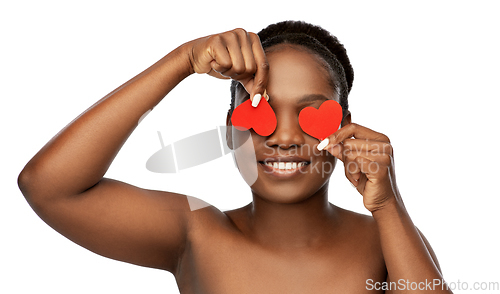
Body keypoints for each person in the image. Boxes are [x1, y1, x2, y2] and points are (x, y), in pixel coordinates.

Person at [18, 20, 452, 293]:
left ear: (345, 126)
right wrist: (183, 60)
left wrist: (388, 205)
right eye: (260, 112)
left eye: (311, 113)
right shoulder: (195, 232)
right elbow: (48, 186)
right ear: (231, 131)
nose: (283, 137)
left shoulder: (385, 240)